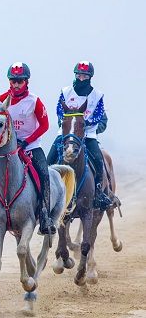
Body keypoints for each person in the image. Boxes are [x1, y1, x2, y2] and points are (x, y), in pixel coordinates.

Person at [0, 62, 53, 236]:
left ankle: (45, 215)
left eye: (20, 81)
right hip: (6, 149)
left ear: (26, 81)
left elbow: (45, 125)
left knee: (44, 174)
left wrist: (27, 142)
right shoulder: (1, 99)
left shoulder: (34, 101)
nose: (16, 84)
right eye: (13, 81)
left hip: (31, 146)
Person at [48, 61, 113, 210]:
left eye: (84, 75)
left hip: (87, 133)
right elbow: (59, 109)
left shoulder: (97, 95)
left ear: (90, 77)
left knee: (98, 160)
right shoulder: (66, 91)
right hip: (66, 132)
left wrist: (84, 122)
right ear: (75, 75)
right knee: (48, 160)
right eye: (79, 74)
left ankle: (98, 193)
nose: (81, 78)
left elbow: (98, 114)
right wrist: (66, 120)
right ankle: (46, 195)